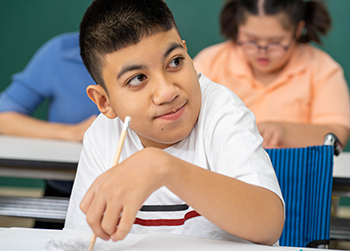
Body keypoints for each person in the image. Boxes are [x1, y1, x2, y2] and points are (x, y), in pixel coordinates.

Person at [65, 0, 284, 246]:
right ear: (104, 102)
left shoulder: (221, 110)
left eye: (175, 62)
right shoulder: (103, 135)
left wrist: (163, 167)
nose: (167, 92)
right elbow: (81, 239)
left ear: (187, 53)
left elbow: (269, 223)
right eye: (137, 79)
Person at [193, 0, 350, 149]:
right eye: (251, 40)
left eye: (275, 42)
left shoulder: (322, 69)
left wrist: (282, 131)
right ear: (237, 28)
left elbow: (337, 135)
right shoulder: (209, 63)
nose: (262, 52)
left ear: (297, 30)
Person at [0, 32, 100, 228]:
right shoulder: (61, 51)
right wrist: (70, 132)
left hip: (150, 196)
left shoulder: (166, 50)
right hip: (65, 193)